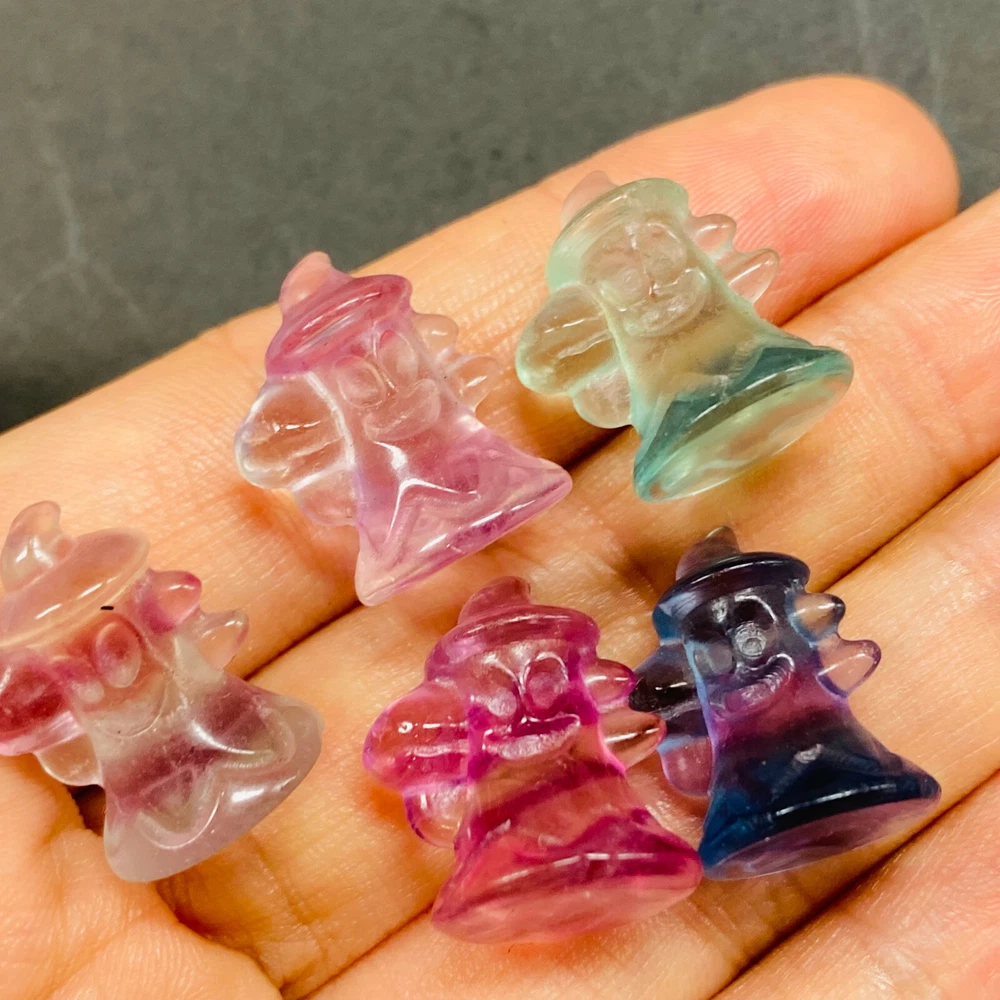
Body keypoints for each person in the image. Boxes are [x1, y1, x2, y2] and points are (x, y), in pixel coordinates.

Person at [0, 75, 996, 998]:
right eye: (352, 371)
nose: (382, 377)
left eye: (391, 352)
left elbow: (656, 722)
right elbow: (411, 745)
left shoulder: (639, 686)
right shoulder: (455, 693)